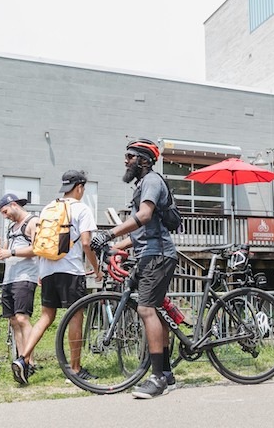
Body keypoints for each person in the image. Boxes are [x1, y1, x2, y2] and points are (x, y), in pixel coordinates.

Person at [91, 138, 178, 399]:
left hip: (158, 255)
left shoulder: (152, 181)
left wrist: (109, 234)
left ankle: (157, 378)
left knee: (145, 309)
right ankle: (167, 373)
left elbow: (144, 217)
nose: (125, 160)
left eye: (130, 156)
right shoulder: (142, 184)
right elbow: (141, 232)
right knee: (155, 311)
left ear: (144, 160)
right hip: (147, 254)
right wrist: (118, 246)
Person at [11, 170, 102, 385]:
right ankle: (76, 370)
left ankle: (23, 359)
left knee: (46, 316)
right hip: (70, 270)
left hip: (48, 269)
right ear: (79, 187)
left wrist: (42, 272)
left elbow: (41, 242)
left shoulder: (49, 208)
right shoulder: (81, 208)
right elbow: (87, 243)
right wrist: (96, 268)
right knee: (75, 315)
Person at [0, 193, 39, 371]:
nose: (5, 216)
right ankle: (21, 360)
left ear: (13, 205)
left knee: (22, 318)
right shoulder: (11, 228)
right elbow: (4, 253)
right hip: (9, 278)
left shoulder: (33, 222)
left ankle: (30, 361)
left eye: (6, 211)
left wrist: (10, 253)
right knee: (13, 320)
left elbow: (37, 248)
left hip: (25, 277)